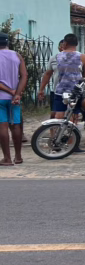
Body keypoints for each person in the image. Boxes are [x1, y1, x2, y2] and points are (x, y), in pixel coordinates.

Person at [0, 32, 28, 166]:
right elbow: (24, 75)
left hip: (0, 98)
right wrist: (17, 93)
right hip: (14, 99)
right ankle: (18, 157)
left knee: (2, 126)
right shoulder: (17, 55)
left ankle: (7, 158)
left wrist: (8, 90)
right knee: (16, 125)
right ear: (8, 43)